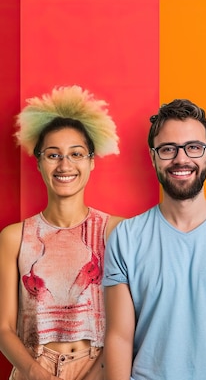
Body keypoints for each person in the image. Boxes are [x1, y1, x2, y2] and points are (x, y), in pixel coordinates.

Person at [102, 99, 206, 380]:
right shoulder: (126, 237)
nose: (182, 159)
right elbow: (118, 336)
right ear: (153, 156)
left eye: (193, 147)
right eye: (168, 149)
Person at [0, 85, 123, 380]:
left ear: (91, 161)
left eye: (76, 154)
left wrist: (96, 374)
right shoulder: (14, 237)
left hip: (98, 369)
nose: (65, 164)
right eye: (53, 155)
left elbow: (127, 323)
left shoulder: (116, 231)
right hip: (33, 368)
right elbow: (3, 327)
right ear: (39, 162)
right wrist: (32, 372)